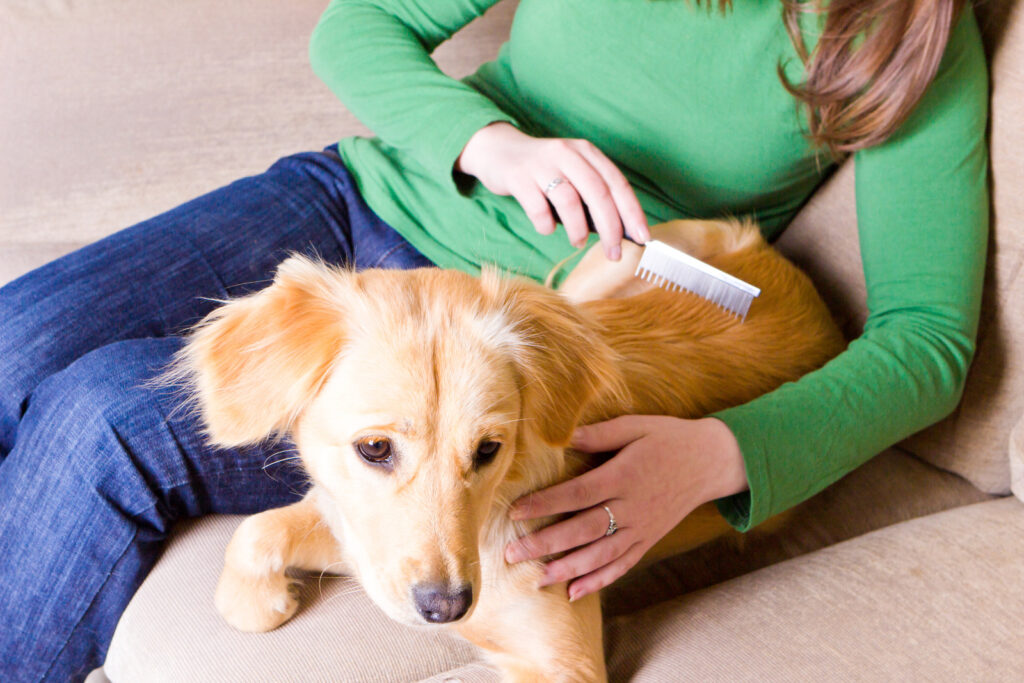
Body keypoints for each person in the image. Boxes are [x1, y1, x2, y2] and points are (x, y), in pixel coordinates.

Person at [0, 0, 988, 680]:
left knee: (103, 425)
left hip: (517, 331)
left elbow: (927, 339)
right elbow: (363, 23)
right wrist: (491, 144)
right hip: (365, 201)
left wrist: (717, 456)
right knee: (15, 337)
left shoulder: (906, 36)